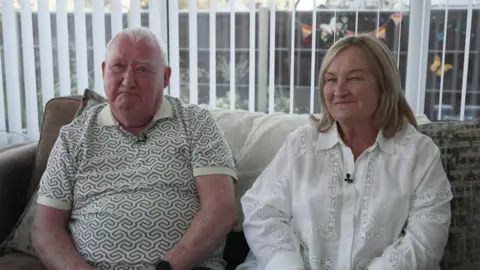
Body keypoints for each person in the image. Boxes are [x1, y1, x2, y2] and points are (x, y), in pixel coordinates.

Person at [237, 34, 453, 270]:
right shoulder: (301, 143)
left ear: (384, 86)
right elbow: (261, 211)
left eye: (354, 78)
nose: (339, 90)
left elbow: (425, 239)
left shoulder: (419, 152)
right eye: (330, 80)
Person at [33, 26, 238, 270]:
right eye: (118, 66)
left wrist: (168, 267)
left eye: (142, 69)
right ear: (103, 71)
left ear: (166, 77)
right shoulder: (73, 137)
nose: (128, 81)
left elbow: (221, 211)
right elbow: (45, 229)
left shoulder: (196, 123)